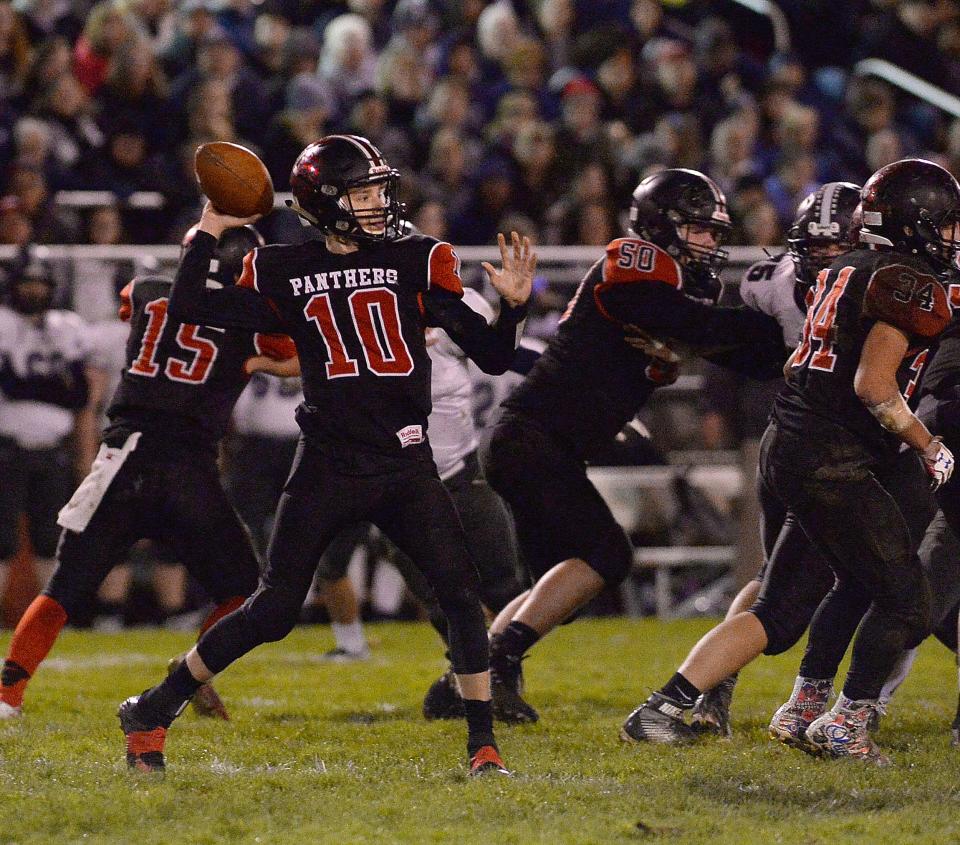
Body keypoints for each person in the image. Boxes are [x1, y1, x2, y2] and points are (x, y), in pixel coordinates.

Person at [116, 134, 535, 776]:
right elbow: (193, 307)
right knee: (274, 609)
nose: (378, 203)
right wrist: (209, 227)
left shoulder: (416, 257)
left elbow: (496, 356)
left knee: (458, 594)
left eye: (377, 190)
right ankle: (155, 706)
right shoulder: (286, 267)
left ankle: (484, 747)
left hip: (405, 461)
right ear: (328, 202)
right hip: (329, 463)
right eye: (363, 192)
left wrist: (514, 309)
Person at [623, 159, 960, 764]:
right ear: (916, 224)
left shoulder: (848, 267)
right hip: (838, 457)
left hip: (800, 439)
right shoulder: (904, 282)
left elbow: (796, 363)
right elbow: (875, 388)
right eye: (946, 223)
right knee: (907, 599)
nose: (954, 236)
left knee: (809, 594)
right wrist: (928, 444)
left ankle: (779, 705)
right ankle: (845, 723)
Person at [481, 168, 787, 724]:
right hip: (532, 437)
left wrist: (794, 340)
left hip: (545, 444)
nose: (712, 243)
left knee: (559, 592)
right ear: (661, 226)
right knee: (606, 555)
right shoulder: (635, 259)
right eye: (699, 230)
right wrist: (770, 324)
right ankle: (495, 660)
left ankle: (468, 681)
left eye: (715, 233)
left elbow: (735, 352)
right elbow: (685, 322)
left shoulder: (687, 287)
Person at [0, 226, 294, 721]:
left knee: (66, 587)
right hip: (190, 468)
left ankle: (8, 695)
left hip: (125, 455)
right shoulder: (255, 317)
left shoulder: (146, 290)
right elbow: (287, 352)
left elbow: (132, 308)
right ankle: (196, 666)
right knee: (248, 592)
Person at [690, 181, 864, 736]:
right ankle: (835, 703)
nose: (824, 260)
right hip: (818, 441)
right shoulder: (775, 285)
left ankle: (719, 687)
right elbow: (732, 350)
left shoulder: (773, 282)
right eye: (815, 249)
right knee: (886, 578)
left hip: (816, 439)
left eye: (836, 249)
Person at [0, 257, 93, 614]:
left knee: (51, 537)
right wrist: (53, 388)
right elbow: (9, 387)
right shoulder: (5, 323)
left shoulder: (65, 326)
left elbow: (80, 394)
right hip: (8, 448)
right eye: (27, 283)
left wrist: (32, 387)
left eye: (41, 283)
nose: (34, 290)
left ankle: (50, 618)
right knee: (1, 537)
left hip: (54, 450)